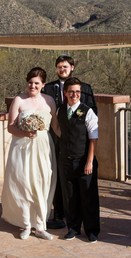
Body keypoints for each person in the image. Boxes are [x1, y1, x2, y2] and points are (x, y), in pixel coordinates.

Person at [1, 67, 61, 241]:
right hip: (22, 147)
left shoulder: (49, 100)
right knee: (24, 185)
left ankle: (41, 226)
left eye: (36, 83)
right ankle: (27, 224)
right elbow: (11, 126)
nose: (32, 85)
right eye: (30, 82)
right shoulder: (19, 100)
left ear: (43, 84)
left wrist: (71, 142)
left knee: (43, 184)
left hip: (43, 147)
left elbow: (55, 126)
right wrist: (25, 132)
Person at [43, 55, 97, 229]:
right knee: (61, 182)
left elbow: (92, 119)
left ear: (72, 67)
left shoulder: (86, 88)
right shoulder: (48, 89)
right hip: (55, 142)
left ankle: (86, 224)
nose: (62, 69)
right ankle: (60, 215)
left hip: (79, 145)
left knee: (82, 188)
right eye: (59, 66)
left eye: (65, 66)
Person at [57, 77, 100, 243]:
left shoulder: (87, 112)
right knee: (70, 197)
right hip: (65, 162)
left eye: (77, 92)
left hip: (83, 161)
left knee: (88, 197)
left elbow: (93, 139)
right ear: (65, 93)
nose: (75, 94)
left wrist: (89, 161)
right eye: (71, 91)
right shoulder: (60, 110)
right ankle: (73, 228)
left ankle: (91, 230)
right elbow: (59, 131)